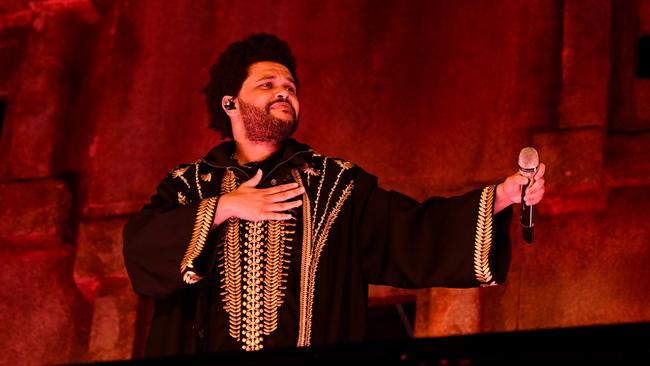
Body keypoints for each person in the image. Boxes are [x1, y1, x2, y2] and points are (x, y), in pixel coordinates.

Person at [122, 33, 546, 357]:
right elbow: (142, 249)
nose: (283, 92)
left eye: (289, 86)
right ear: (231, 103)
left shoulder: (335, 185)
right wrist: (222, 208)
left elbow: (411, 234)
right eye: (267, 84)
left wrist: (503, 196)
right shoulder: (189, 185)